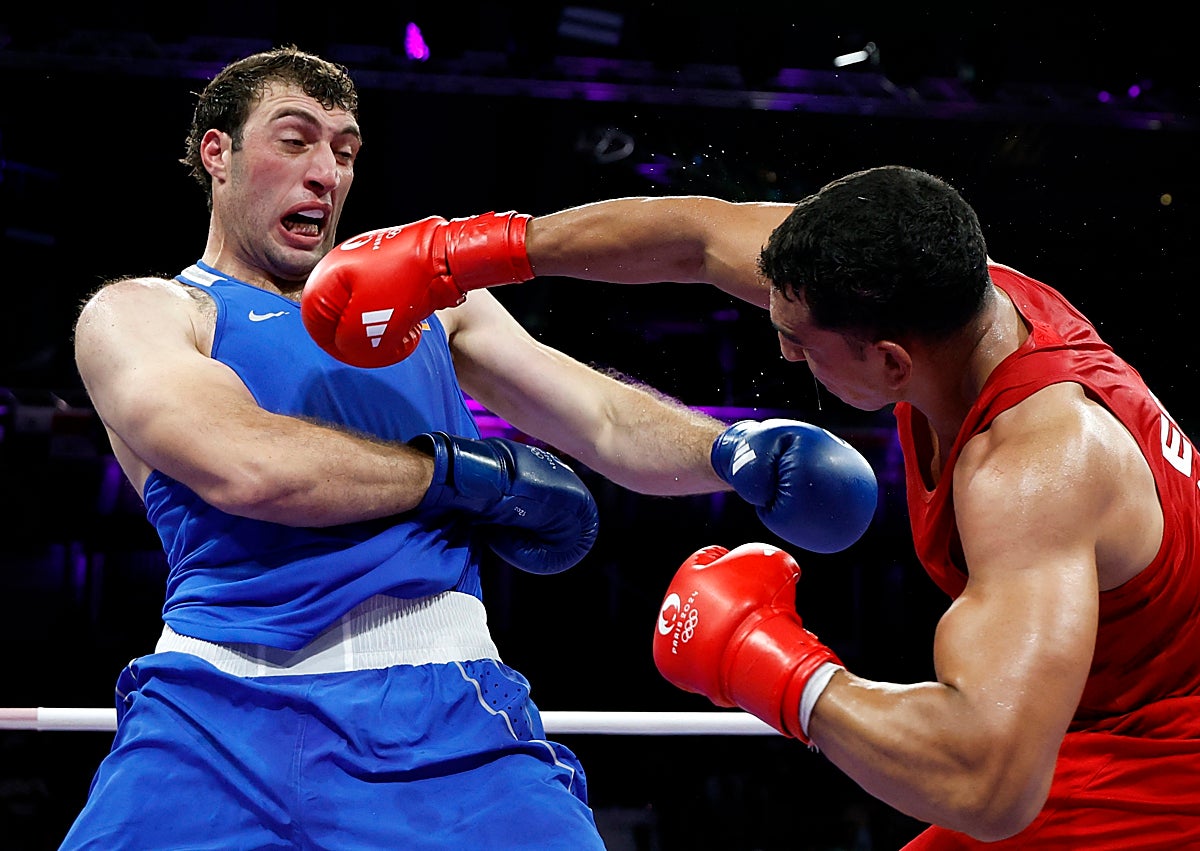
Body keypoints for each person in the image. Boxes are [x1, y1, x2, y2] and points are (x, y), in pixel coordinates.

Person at [65, 46, 878, 849]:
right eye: (295, 139)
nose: (328, 173)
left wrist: (732, 451)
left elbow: (594, 415)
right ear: (218, 153)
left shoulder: (427, 302)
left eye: (345, 151)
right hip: (210, 715)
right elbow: (249, 464)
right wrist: (455, 475)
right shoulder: (146, 314)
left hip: (443, 714)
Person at [341, 166, 1200, 848]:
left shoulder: (1033, 470)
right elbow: (694, 234)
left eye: (800, 342)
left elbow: (989, 783)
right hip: (1099, 727)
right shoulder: (938, 288)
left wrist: (770, 664)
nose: (782, 350)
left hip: (1164, 768)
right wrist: (464, 251)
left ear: (893, 364)